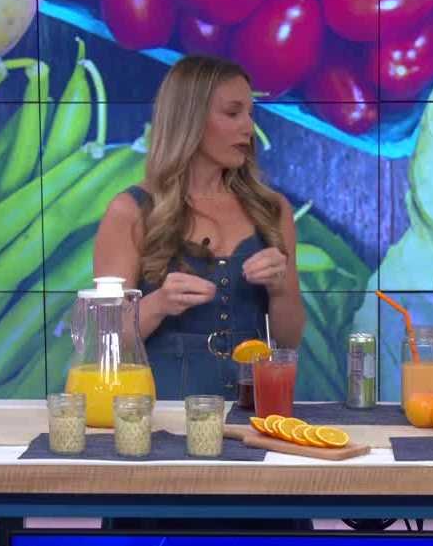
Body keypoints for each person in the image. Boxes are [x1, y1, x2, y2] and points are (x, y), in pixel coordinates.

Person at [93, 54, 308, 531]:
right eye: (232, 113)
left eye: (250, 113)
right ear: (189, 118)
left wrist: (280, 289)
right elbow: (103, 341)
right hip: (160, 436)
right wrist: (157, 304)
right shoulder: (131, 212)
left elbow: (290, 338)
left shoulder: (272, 210)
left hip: (254, 429)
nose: (248, 128)